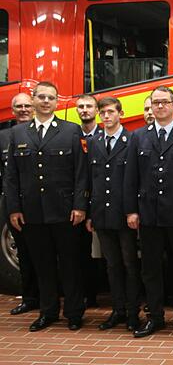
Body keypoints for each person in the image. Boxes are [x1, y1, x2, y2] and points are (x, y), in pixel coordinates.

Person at [4, 81, 88, 331]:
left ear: (57, 101)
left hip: (65, 211)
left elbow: (81, 173)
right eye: (41, 97)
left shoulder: (71, 131)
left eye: (51, 97)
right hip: (32, 212)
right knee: (43, 266)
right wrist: (14, 208)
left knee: (70, 265)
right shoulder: (18, 134)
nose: (46, 101)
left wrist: (80, 205)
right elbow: (11, 176)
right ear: (34, 99)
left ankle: (74, 313)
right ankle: (48, 312)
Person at [124, 85, 173, 338]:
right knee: (150, 270)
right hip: (149, 216)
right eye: (155, 103)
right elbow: (130, 178)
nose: (159, 106)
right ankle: (155, 317)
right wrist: (131, 211)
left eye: (164, 102)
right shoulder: (138, 137)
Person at [85, 97, 140, 331]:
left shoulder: (132, 140)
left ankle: (133, 312)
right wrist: (89, 213)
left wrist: (133, 211)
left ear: (120, 114)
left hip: (124, 213)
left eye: (110, 112)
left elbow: (135, 180)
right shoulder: (95, 141)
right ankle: (117, 310)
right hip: (101, 213)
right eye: (102, 113)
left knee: (130, 264)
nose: (106, 116)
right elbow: (91, 179)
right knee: (112, 265)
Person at [0, 93, 39, 315]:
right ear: (12, 111)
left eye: (27, 105)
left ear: (33, 108)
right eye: (18, 106)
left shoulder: (42, 133)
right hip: (13, 203)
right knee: (23, 254)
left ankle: (48, 296)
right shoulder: (4, 136)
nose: (23, 109)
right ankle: (30, 297)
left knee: (44, 253)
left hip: (39, 203)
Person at [75, 94, 102, 308]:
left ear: (97, 110)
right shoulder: (71, 135)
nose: (85, 110)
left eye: (89, 106)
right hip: (80, 201)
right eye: (81, 107)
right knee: (81, 252)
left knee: (104, 252)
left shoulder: (104, 135)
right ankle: (88, 294)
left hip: (101, 202)